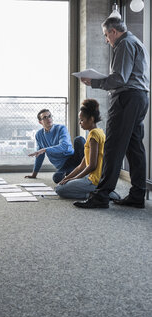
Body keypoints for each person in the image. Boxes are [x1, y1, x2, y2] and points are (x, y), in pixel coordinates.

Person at [74, 17, 150, 209]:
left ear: (113, 32)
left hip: (126, 98)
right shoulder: (136, 42)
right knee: (134, 148)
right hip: (139, 97)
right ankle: (137, 195)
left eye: (106, 35)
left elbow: (120, 78)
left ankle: (101, 197)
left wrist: (95, 82)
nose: (106, 40)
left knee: (113, 147)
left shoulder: (124, 44)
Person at [55, 99, 120, 200]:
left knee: (59, 189)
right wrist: (66, 179)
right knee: (61, 183)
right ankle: (101, 192)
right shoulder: (99, 132)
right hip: (92, 177)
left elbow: (92, 166)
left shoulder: (93, 135)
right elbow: (81, 166)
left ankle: (96, 195)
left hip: (93, 180)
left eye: (82, 120)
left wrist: (73, 179)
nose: (80, 123)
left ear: (91, 119)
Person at [25, 109, 85, 183]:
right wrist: (34, 174)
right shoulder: (39, 135)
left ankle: (86, 169)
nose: (48, 119)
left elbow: (64, 146)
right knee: (57, 178)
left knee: (79, 139)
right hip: (64, 165)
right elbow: (39, 155)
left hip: (74, 157)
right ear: (40, 122)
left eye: (49, 116)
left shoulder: (61, 128)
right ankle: (75, 173)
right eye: (45, 117)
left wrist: (45, 149)